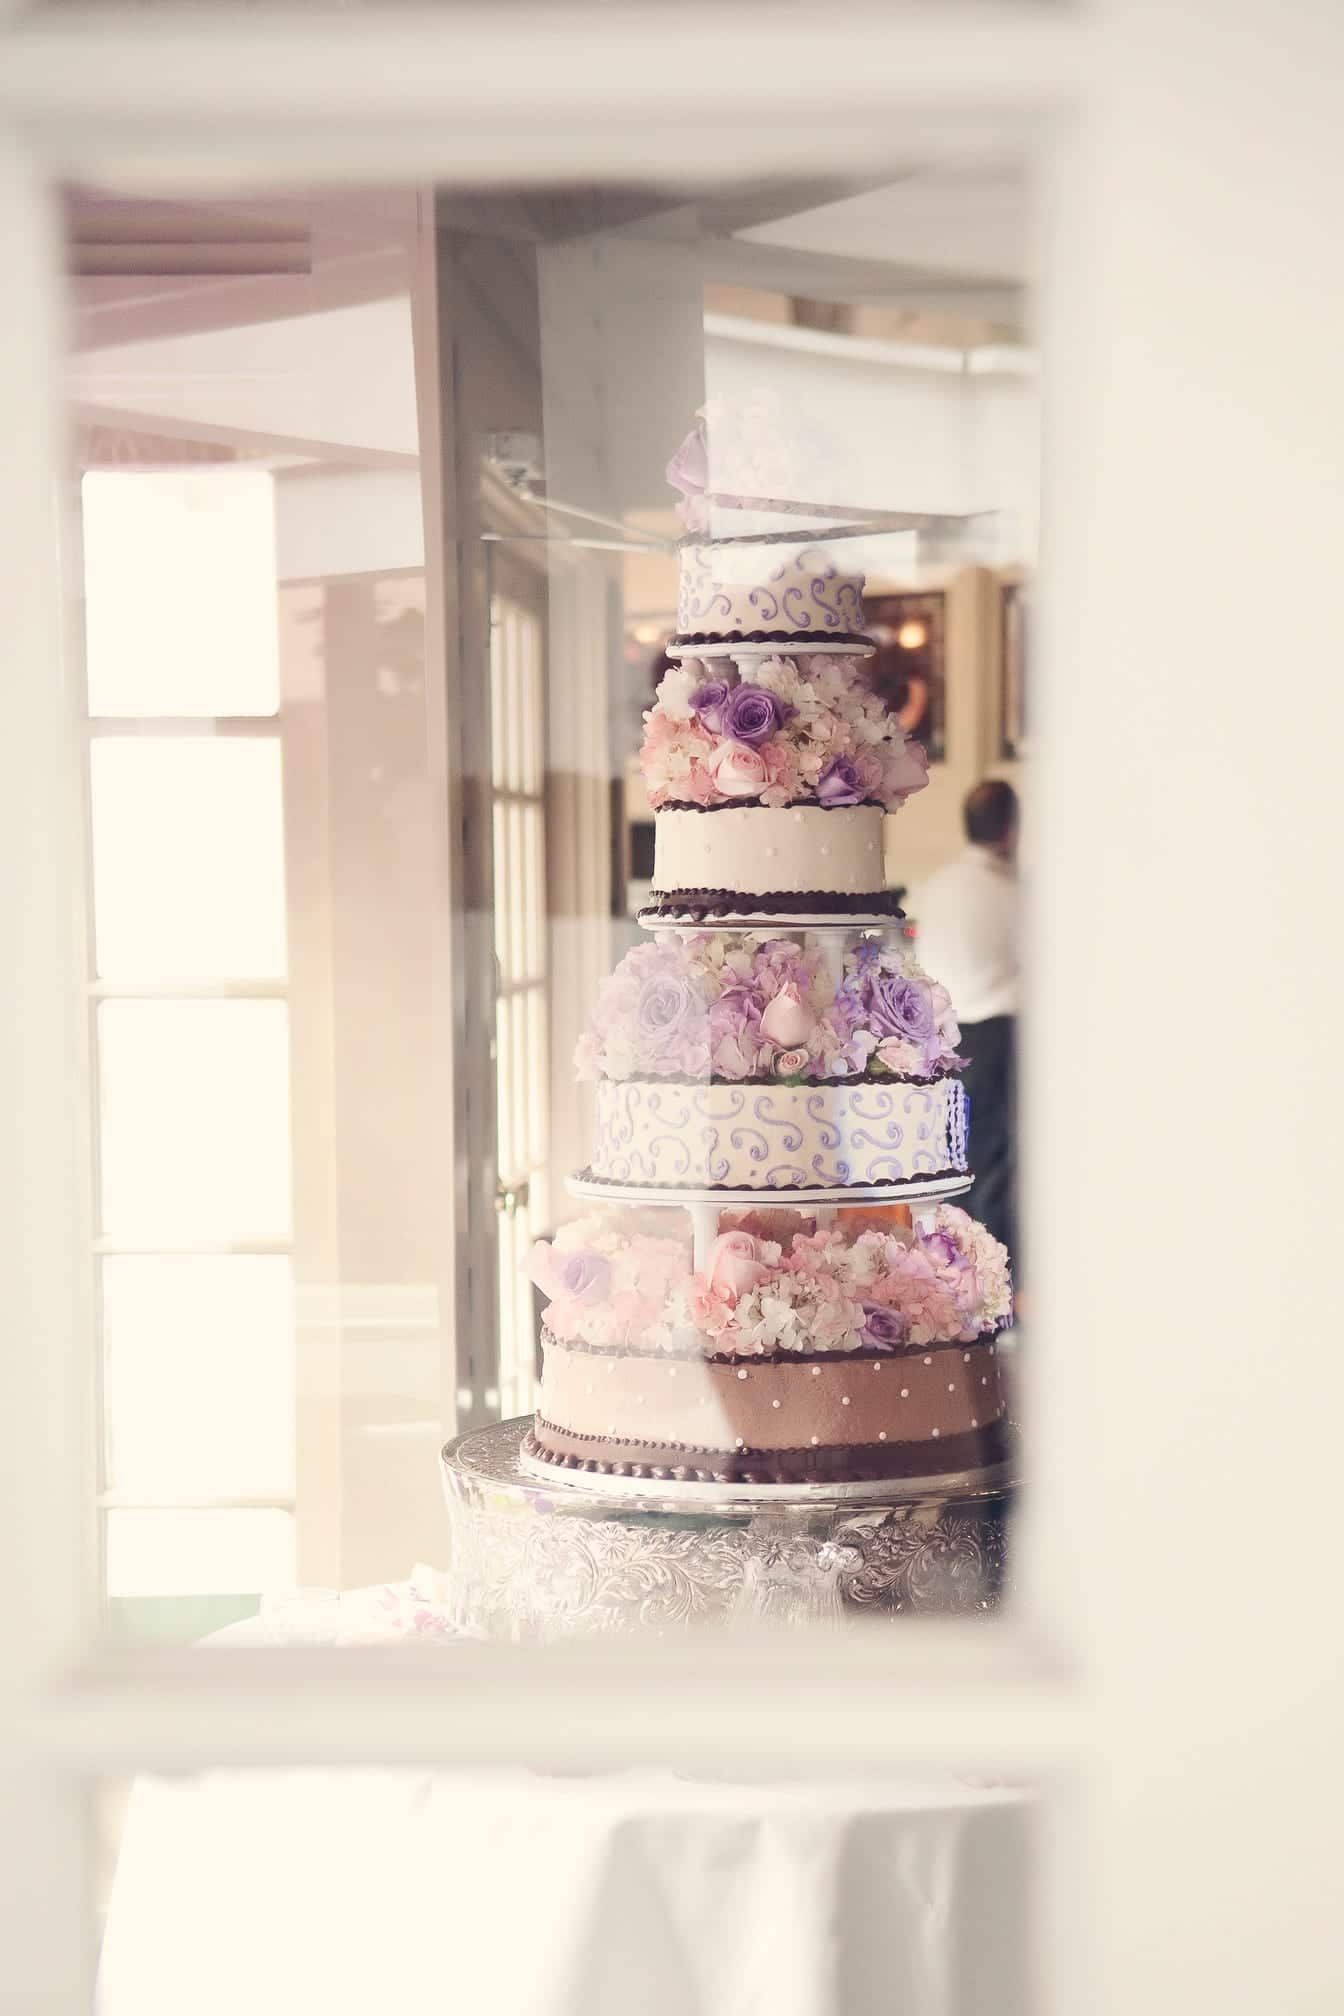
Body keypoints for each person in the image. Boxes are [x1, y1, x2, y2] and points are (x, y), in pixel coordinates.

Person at [911, 779, 1020, 1268]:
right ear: (1012, 828)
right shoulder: (1016, 892)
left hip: (947, 1038)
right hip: (1002, 1034)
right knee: (999, 1162)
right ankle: (1000, 1278)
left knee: (954, 1156)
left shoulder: (934, 888)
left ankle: (956, 1276)